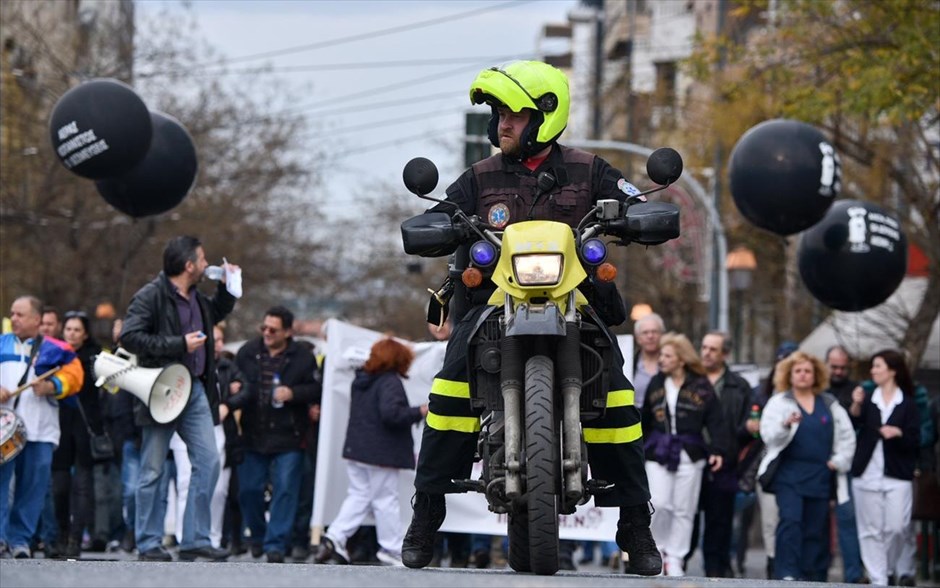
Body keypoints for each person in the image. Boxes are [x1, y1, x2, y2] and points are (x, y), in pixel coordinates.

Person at [401, 59, 662, 576]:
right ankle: (427, 508)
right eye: (499, 114)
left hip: (576, 300)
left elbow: (634, 201)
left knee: (616, 393)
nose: (502, 124)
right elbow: (439, 215)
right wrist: (438, 224)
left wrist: (641, 215)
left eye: (514, 115)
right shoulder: (478, 177)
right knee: (450, 389)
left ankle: (635, 523)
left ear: (545, 115)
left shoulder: (591, 170)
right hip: (495, 302)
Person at [119, 235, 238, 562]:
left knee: (209, 461)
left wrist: (229, 289)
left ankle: (195, 538)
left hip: (196, 388)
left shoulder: (197, 297)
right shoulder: (150, 295)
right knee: (153, 469)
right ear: (188, 266)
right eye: (201, 260)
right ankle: (148, 542)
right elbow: (130, 337)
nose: (206, 264)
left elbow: (215, 314)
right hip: (162, 389)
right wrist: (178, 345)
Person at [315, 337, 427, 567]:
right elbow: (392, 414)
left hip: (358, 449)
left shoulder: (361, 381)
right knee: (385, 500)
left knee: (359, 495)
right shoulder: (390, 382)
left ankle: (334, 536)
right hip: (381, 452)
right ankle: (391, 548)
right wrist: (419, 411)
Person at [229, 306, 320, 563]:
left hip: (289, 436)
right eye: (264, 328)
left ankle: (275, 544)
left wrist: (294, 394)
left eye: (273, 329)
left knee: (285, 491)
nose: (267, 333)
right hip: (252, 433)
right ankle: (257, 537)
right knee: (248, 490)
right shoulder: (247, 352)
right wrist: (233, 387)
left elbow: (316, 388)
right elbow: (235, 380)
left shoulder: (303, 356)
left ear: (288, 332)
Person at [757, 351, 855, 581]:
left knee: (816, 528)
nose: (802, 375)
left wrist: (838, 461)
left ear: (816, 375)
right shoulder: (779, 403)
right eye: (798, 371)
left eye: (807, 371)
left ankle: (814, 576)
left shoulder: (830, 404)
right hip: (788, 474)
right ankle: (787, 573)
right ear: (789, 375)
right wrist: (785, 425)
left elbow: (847, 437)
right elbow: (768, 436)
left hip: (821, 474)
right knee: (790, 521)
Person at [0, 295, 84, 559]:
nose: (13, 319)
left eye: (19, 315)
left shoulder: (57, 349)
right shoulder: (1, 343)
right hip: (4, 430)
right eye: (12, 314)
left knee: (33, 487)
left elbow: (75, 375)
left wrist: (52, 386)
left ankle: (20, 540)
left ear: (36, 320)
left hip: (40, 429)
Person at [640, 332, 729, 576]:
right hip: (659, 449)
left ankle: (676, 557)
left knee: (684, 508)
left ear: (681, 359)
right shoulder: (657, 382)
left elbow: (716, 420)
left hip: (691, 452)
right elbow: (645, 418)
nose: (661, 359)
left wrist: (718, 450)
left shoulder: (701, 385)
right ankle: (657, 551)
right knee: (659, 502)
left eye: (667, 355)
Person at [849, 349, 921, 587]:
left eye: (877, 366)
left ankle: (887, 567)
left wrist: (898, 432)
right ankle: (878, 579)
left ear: (892, 370)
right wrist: (856, 405)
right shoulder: (868, 400)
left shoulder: (908, 404)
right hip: (866, 473)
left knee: (897, 527)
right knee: (869, 530)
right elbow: (854, 423)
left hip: (897, 474)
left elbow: (915, 439)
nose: (873, 371)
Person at [689, 331, 754, 577]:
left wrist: (736, 444)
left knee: (721, 520)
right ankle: (676, 564)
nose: (706, 352)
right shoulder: (690, 380)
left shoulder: (740, 386)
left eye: (713, 349)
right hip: (692, 458)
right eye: (704, 347)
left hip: (725, 463)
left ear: (725, 354)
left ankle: (717, 571)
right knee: (688, 518)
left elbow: (747, 425)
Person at [50, 311, 104, 558]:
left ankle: (75, 539)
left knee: (83, 486)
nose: (71, 334)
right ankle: (62, 533)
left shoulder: (95, 358)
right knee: (59, 486)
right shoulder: (54, 354)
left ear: (85, 334)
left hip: (84, 425)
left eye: (76, 330)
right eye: (68, 329)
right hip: (58, 425)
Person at [823, 345, 864, 584]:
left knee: (846, 519)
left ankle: (853, 574)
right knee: (816, 520)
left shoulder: (853, 389)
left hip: (843, 463)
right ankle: (816, 573)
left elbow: (854, 425)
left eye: (842, 367)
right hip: (818, 461)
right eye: (834, 366)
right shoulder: (818, 388)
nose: (838, 371)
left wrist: (857, 404)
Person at [633, 313, 665, 410]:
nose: (650, 336)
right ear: (638, 338)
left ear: (662, 335)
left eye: (654, 332)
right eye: (645, 332)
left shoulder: (672, 364)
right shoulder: (628, 364)